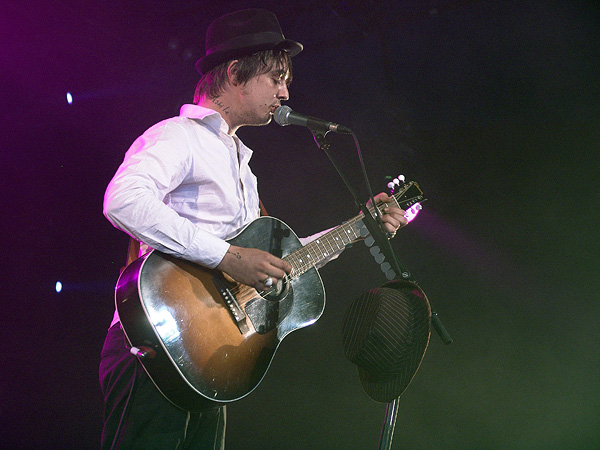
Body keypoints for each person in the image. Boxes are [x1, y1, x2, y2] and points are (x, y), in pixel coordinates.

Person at [100, 8, 407, 450]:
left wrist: (360, 228)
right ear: (234, 73)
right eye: (276, 78)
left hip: (208, 359)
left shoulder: (243, 167)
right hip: (153, 345)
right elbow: (123, 200)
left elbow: (274, 264)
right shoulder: (178, 136)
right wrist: (229, 257)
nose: (285, 92)